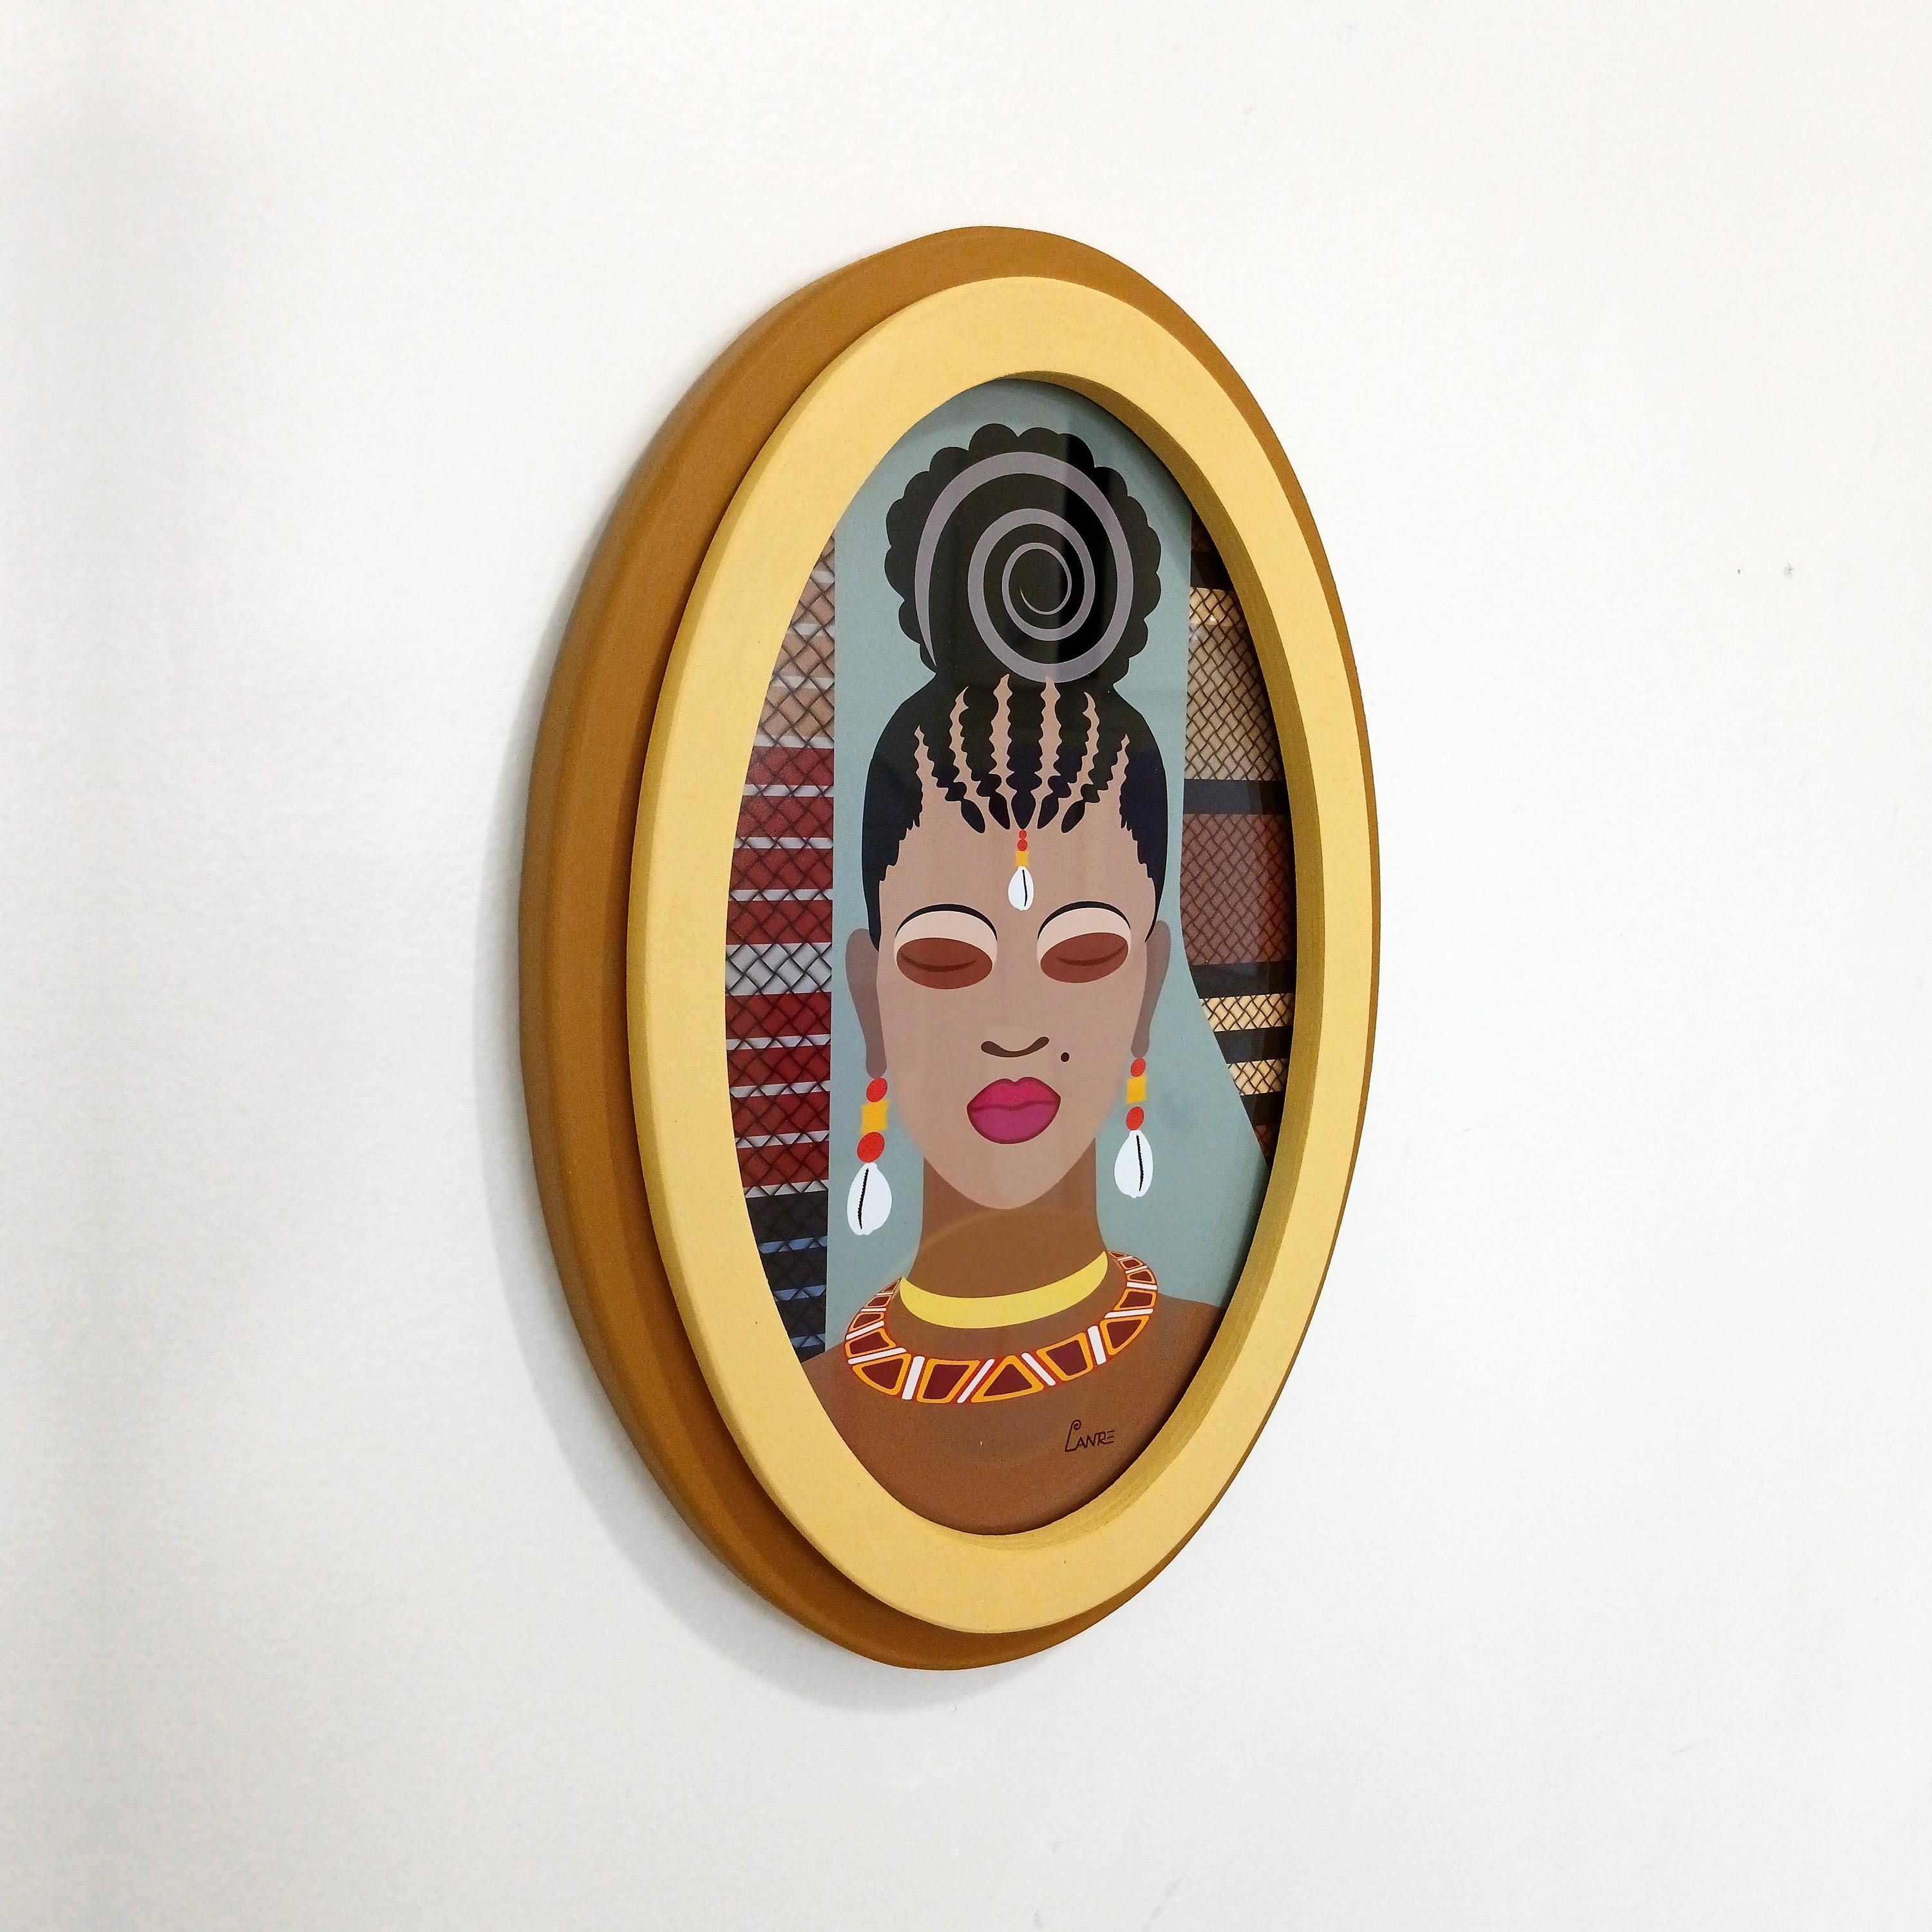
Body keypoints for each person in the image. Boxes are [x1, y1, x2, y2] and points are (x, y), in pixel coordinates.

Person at [804, 424, 1220, 1534]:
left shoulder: (1208, 1360)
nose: (1016, 1029)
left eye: (1083, 955)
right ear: (870, 996)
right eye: (947, 959)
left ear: (1146, 989)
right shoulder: (803, 1416)